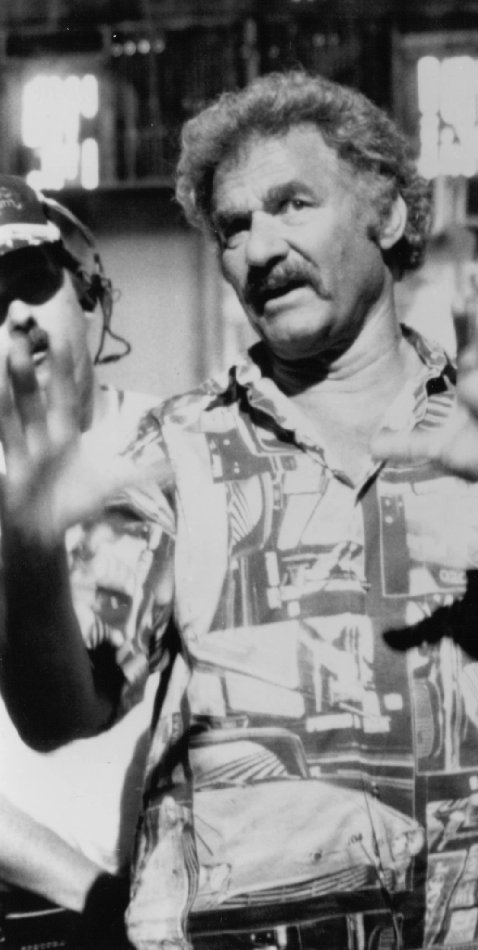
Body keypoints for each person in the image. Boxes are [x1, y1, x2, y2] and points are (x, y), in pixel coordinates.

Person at [1, 72, 478, 950]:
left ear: (389, 216)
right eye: (233, 227)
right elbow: (58, 716)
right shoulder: (171, 452)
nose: (260, 249)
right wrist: (28, 547)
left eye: (291, 205)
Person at [0, 176, 157, 948]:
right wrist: (97, 901)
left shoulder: (181, 451)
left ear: (89, 296)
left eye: (32, 279)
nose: (14, 314)